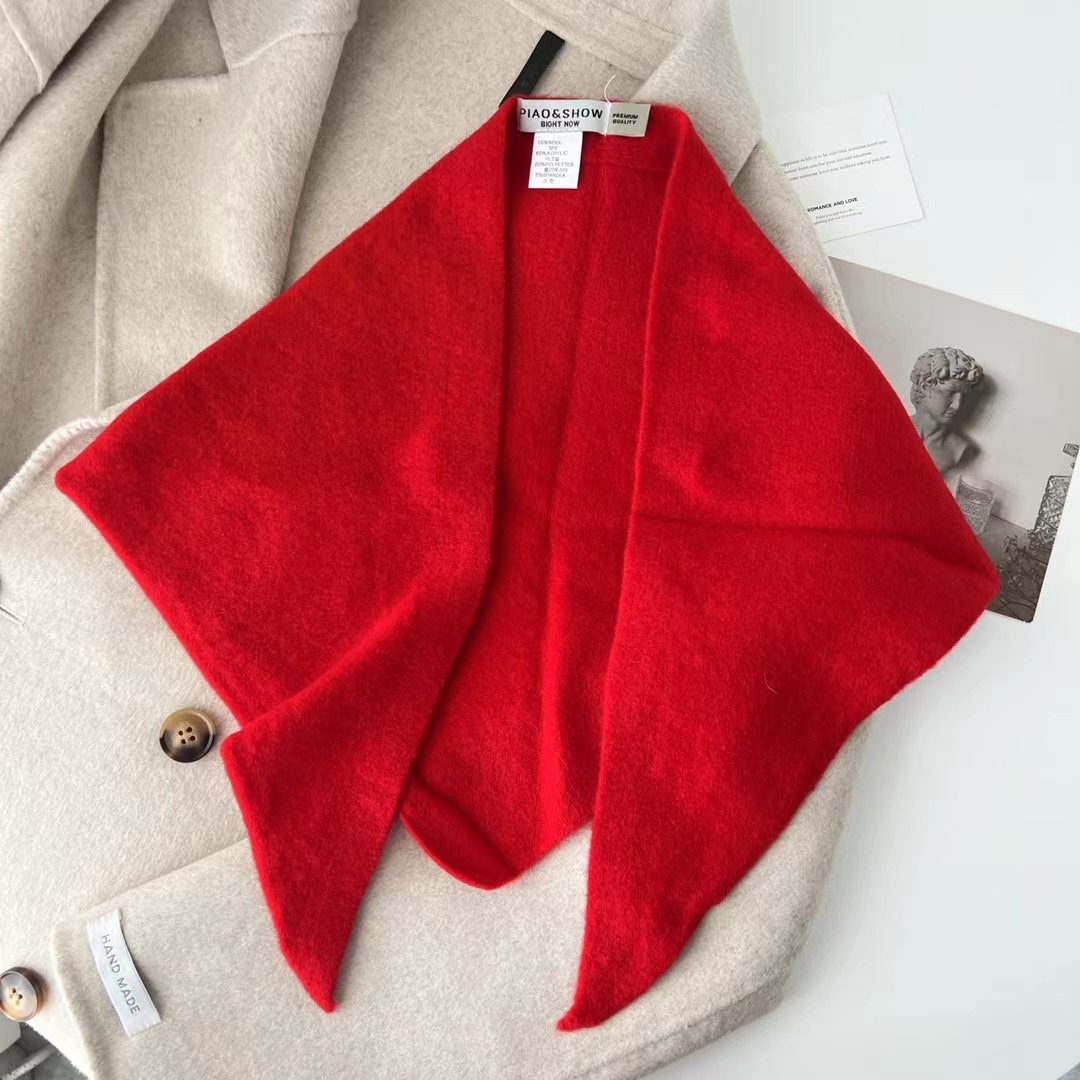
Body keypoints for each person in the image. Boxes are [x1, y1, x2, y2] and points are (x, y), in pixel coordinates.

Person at [909, 346, 985, 474]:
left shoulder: (959, 449)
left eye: (963, 396)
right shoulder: (889, 428)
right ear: (925, 387)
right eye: (950, 392)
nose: (957, 405)